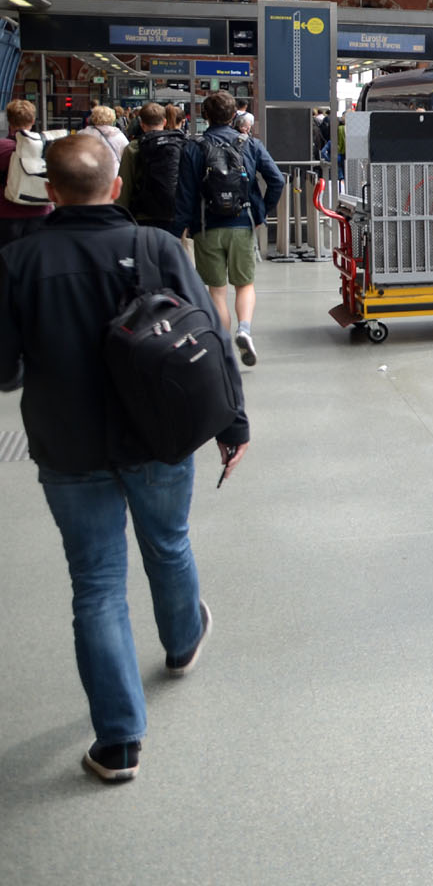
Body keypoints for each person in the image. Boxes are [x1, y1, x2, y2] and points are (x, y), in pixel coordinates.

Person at [0, 134, 249, 784]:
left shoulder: (17, 261)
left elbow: (3, 372)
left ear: (48, 193)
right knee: (168, 543)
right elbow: (212, 336)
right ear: (115, 186)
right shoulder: (156, 247)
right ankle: (181, 642)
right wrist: (233, 421)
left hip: (67, 445)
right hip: (158, 437)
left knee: (97, 586)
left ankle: (118, 743)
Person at [175, 90, 285, 366]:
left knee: (217, 289)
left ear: (204, 116)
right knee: (245, 284)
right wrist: (261, 212)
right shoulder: (250, 144)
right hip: (242, 223)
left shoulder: (193, 147)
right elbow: (276, 180)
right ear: (234, 114)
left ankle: (222, 346)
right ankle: (244, 330)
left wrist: (182, 227)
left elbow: (185, 193)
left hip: (206, 226)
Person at [116, 102, 187, 229]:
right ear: (165, 122)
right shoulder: (180, 145)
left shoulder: (133, 147)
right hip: (174, 213)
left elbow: (125, 184)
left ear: (142, 124)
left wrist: (121, 216)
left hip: (142, 215)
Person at [0, 99, 54, 246]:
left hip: (6, 213)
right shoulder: (47, 146)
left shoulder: (2, 147)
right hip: (41, 212)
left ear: (9, 120)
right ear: (33, 120)